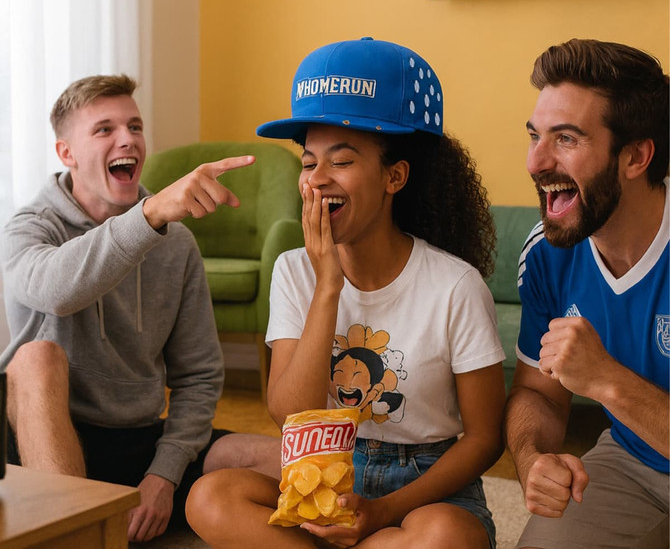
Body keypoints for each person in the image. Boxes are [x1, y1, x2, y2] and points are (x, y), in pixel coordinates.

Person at [185, 37, 507, 547]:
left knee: (446, 535)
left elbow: (487, 437)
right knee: (210, 496)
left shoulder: (455, 286)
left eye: (342, 160)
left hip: (426, 489)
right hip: (325, 470)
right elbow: (290, 414)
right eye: (309, 163)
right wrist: (328, 286)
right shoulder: (296, 271)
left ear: (394, 176)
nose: (317, 180)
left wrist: (382, 512)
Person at [0, 74, 280, 543]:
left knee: (297, 464)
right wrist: (147, 218)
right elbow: (58, 290)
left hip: (139, 440)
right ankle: (79, 530)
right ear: (66, 153)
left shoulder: (177, 244)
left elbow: (199, 375)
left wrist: (163, 476)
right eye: (104, 129)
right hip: (41, 444)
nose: (127, 138)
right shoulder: (29, 228)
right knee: (35, 357)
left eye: (134, 126)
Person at [504, 39, 669, 548]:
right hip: (633, 461)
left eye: (566, 139)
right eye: (535, 136)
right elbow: (537, 391)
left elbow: (600, 381)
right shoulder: (547, 253)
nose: (536, 161)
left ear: (636, 156)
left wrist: (607, 381)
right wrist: (533, 458)